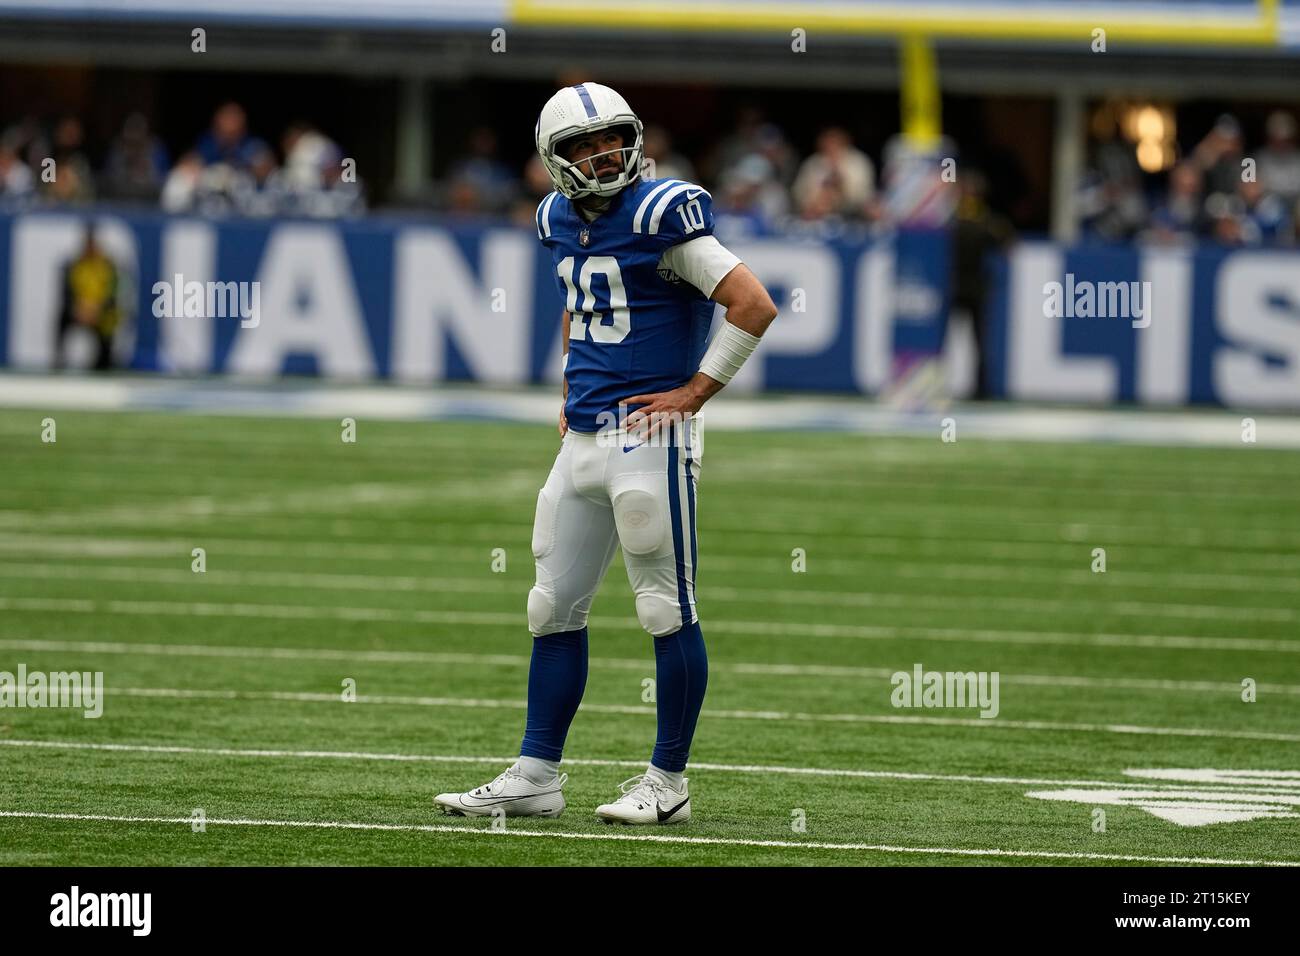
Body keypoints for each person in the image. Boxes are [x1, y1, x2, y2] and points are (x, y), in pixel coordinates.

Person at [434, 82, 777, 825]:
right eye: (583, 146)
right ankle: (536, 775)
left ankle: (668, 780)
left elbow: (753, 302)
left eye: (612, 138)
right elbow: (581, 301)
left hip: (651, 438)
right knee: (551, 607)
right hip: (584, 434)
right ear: (555, 162)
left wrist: (693, 395)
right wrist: (569, 382)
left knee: (664, 607)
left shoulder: (664, 211)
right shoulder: (557, 216)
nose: (603, 154)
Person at [54, 225, 122, 371]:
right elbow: (67, 293)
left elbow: (113, 295)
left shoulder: (108, 266)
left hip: (99, 312)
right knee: (62, 317)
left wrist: (97, 309)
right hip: (79, 311)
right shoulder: (74, 265)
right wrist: (78, 309)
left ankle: (104, 363)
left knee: (110, 319)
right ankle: (59, 360)